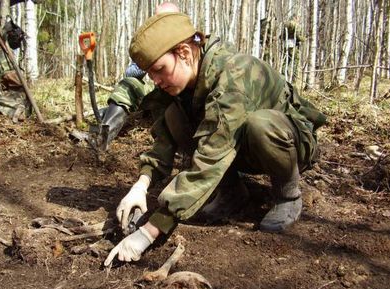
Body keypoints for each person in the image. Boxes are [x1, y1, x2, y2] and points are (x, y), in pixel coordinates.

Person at [104, 12, 326, 265]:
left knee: (260, 125)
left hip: (288, 143)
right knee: (174, 115)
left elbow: (211, 157)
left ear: (185, 53)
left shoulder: (233, 77)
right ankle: (232, 193)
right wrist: (141, 185)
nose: (155, 80)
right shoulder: (180, 83)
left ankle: (288, 195)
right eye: (150, 73)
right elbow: (163, 141)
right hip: (237, 143)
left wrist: (147, 233)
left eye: (159, 69)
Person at [99, 2, 180, 145]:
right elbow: (129, 73)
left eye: (167, 19)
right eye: (158, 19)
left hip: (181, 102)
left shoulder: (187, 42)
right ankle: (101, 139)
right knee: (129, 83)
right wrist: (148, 63)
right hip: (157, 96)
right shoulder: (150, 44)